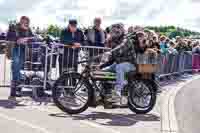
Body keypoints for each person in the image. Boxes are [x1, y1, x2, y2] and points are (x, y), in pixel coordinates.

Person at [6, 16, 34, 101]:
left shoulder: (28, 29)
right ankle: (13, 93)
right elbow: (9, 36)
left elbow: (32, 38)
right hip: (15, 50)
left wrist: (27, 40)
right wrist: (18, 40)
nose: (26, 24)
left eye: (27, 23)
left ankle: (16, 91)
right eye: (25, 22)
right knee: (15, 69)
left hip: (23, 52)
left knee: (19, 70)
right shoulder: (14, 27)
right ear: (21, 21)